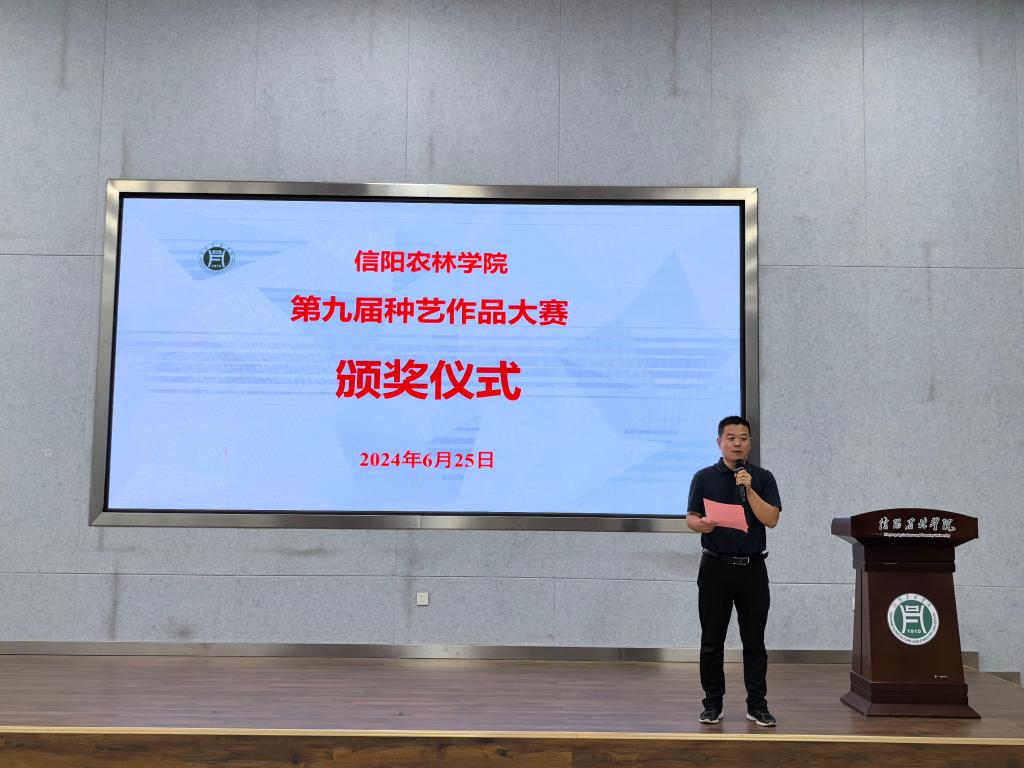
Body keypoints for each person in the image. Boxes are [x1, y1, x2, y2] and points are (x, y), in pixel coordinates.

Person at [686, 415, 781, 727]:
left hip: (753, 569)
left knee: (754, 642)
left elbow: (771, 519)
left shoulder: (762, 478)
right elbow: (691, 517)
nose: (737, 443)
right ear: (719, 442)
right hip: (715, 567)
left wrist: (749, 490)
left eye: (743, 438)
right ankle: (712, 703)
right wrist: (700, 524)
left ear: (750, 443)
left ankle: (757, 705)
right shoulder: (703, 477)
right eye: (731, 438)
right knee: (712, 641)